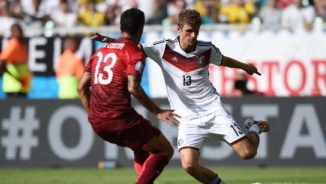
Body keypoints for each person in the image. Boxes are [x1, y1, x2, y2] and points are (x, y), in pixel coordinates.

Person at [91, 9, 270, 184]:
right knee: (189, 165)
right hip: (187, 118)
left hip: (213, 110)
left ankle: (254, 127)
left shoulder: (206, 49)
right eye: (189, 31)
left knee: (248, 153)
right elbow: (131, 47)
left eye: (196, 31)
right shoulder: (162, 48)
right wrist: (109, 40)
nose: (193, 36)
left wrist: (245, 67)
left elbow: (224, 60)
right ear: (179, 29)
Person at [77, 8, 180, 184]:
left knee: (141, 148)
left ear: (120, 26)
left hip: (96, 122)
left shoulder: (100, 52)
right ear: (141, 29)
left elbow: (81, 87)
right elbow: (134, 87)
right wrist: (157, 112)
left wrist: (93, 115)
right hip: (120, 119)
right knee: (165, 150)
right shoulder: (134, 53)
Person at [0, 23, 32, 98]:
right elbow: (1, 62)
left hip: (21, 85)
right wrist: (15, 78)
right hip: (14, 85)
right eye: (15, 31)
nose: (18, 33)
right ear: (11, 33)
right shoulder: (12, 44)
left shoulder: (20, 44)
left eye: (19, 31)